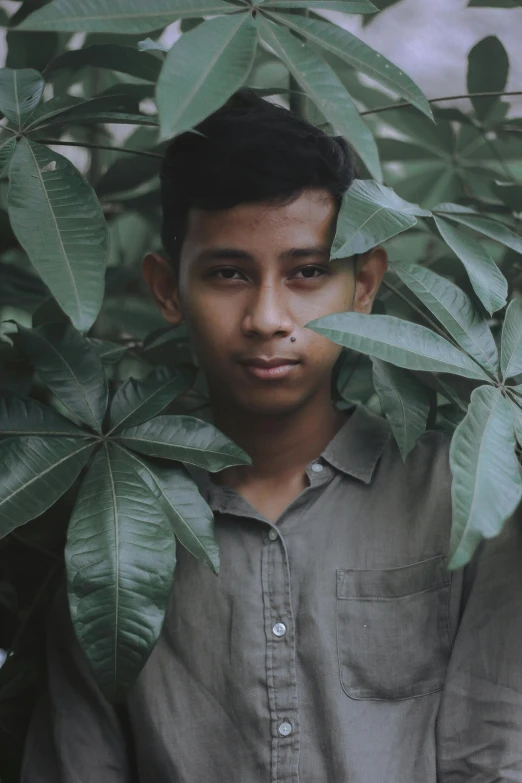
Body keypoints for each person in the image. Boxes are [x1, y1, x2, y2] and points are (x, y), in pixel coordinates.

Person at [22, 90, 522, 783]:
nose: (267, 316)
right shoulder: (112, 518)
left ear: (364, 283)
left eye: (307, 272)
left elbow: (495, 756)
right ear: (168, 288)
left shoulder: (462, 497)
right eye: (229, 273)